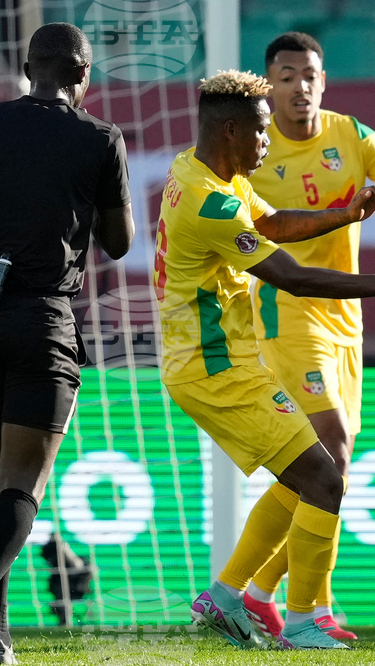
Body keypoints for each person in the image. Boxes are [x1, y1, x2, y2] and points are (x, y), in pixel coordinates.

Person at [154, 70, 375, 650]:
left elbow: (270, 224)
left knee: (307, 475)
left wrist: (345, 216)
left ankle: (225, 597)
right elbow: (292, 278)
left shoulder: (197, 169)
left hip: (223, 358)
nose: (268, 142)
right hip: (213, 367)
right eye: (260, 130)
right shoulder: (208, 202)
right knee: (323, 476)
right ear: (230, 130)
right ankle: (300, 621)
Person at [236, 31, 375, 642]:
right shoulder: (255, 149)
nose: (299, 87)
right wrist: (349, 213)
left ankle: (270, 596)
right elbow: (266, 228)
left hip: (345, 319)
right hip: (286, 312)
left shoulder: (352, 135)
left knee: (330, 467)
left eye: (309, 75)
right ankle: (284, 604)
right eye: (286, 76)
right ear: (269, 85)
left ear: (324, 80)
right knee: (327, 449)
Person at [0, 23, 134, 664]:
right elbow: (121, 242)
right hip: (41, 318)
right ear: (84, 75)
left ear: (29, 69)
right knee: (19, 487)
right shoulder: (99, 137)